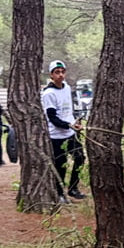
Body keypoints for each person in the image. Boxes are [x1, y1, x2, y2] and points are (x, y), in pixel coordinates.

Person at [41, 60, 85, 201]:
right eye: (57, 72)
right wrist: (68, 125)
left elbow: (68, 110)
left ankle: (73, 188)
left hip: (71, 133)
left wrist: (75, 123)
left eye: (62, 72)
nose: (60, 75)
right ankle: (60, 193)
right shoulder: (48, 93)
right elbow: (52, 117)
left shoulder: (67, 88)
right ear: (51, 75)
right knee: (61, 165)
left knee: (80, 158)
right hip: (56, 135)